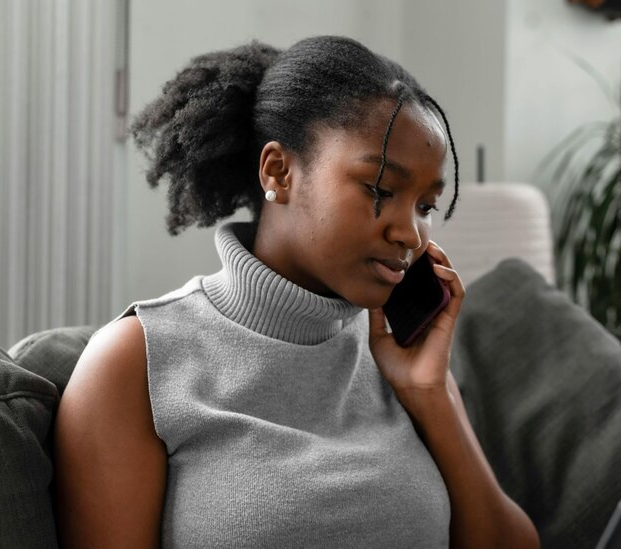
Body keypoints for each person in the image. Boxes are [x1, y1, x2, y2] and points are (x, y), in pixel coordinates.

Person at [53, 35, 539, 548]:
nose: (410, 233)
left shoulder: (400, 357)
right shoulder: (137, 363)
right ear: (278, 172)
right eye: (380, 190)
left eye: (424, 205)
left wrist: (432, 397)